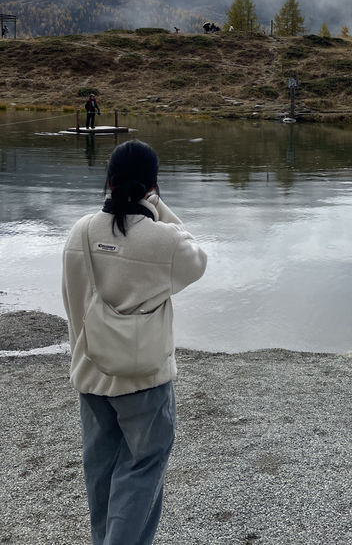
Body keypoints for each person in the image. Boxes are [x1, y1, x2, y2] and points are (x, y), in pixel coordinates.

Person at [62, 140, 207, 545]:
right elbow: (197, 257)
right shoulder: (164, 242)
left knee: (102, 473)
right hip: (144, 380)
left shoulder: (80, 231)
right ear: (152, 186)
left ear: (108, 181)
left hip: (90, 374)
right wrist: (157, 206)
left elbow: (72, 302)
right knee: (142, 469)